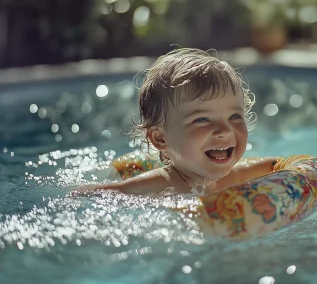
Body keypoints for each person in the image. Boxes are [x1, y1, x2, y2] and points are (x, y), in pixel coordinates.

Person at [77, 48, 279, 196]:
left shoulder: (236, 175)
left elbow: (279, 165)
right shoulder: (159, 185)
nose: (224, 131)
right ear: (160, 138)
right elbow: (89, 195)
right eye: (202, 119)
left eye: (234, 116)